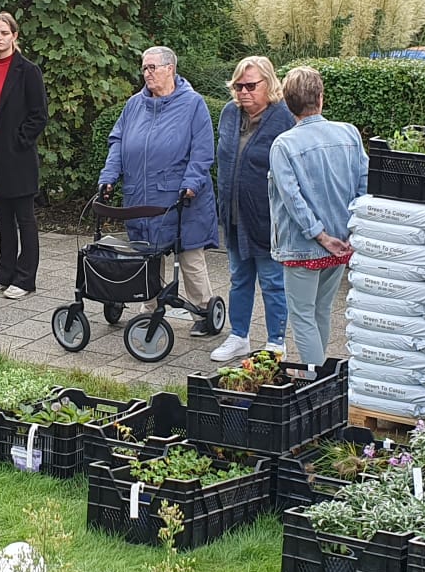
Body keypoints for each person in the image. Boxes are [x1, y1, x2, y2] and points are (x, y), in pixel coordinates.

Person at [97, 44, 221, 333]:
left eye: (152, 67)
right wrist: (109, 175)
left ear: (170, 69)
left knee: (189, 257)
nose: (147, 73)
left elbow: (202, 152)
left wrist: (191, 184)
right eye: (144, 68)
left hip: (180, 199)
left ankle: (203, 311)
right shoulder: (133, 105)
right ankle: (149, 308)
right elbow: (117, 142)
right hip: (141, 196)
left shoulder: (193, 105)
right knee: (145, 254)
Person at [268, 66, 366, 375]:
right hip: (342, 240)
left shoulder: (283, 144)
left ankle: (314, 382)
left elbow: (292, 199)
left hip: (303, 245)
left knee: (303, 316)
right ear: (321, 98)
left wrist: (319, 235)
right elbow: (363, 185)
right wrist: (353, 229)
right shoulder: (349, 133)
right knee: (322, 311)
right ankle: (321, 378)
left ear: (287, 103)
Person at [210, 55, 294, 362]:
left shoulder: (283, 118)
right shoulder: (230, 114)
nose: (244, 92)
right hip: (233, 213)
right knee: (239, 277)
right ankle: (239, 336)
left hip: (267, 217)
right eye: (238, 85)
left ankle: (276, 342)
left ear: (269, 84)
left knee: (272, 281)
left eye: (250, 85)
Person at [0, 11, 48, 298]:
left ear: (15, 36)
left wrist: (19, 140)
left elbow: (38, 115)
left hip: (16, 155)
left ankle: (26, 277)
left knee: (23, 216)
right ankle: (5, 270)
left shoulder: (27, 71)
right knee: (1, 214)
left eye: (4, 33)